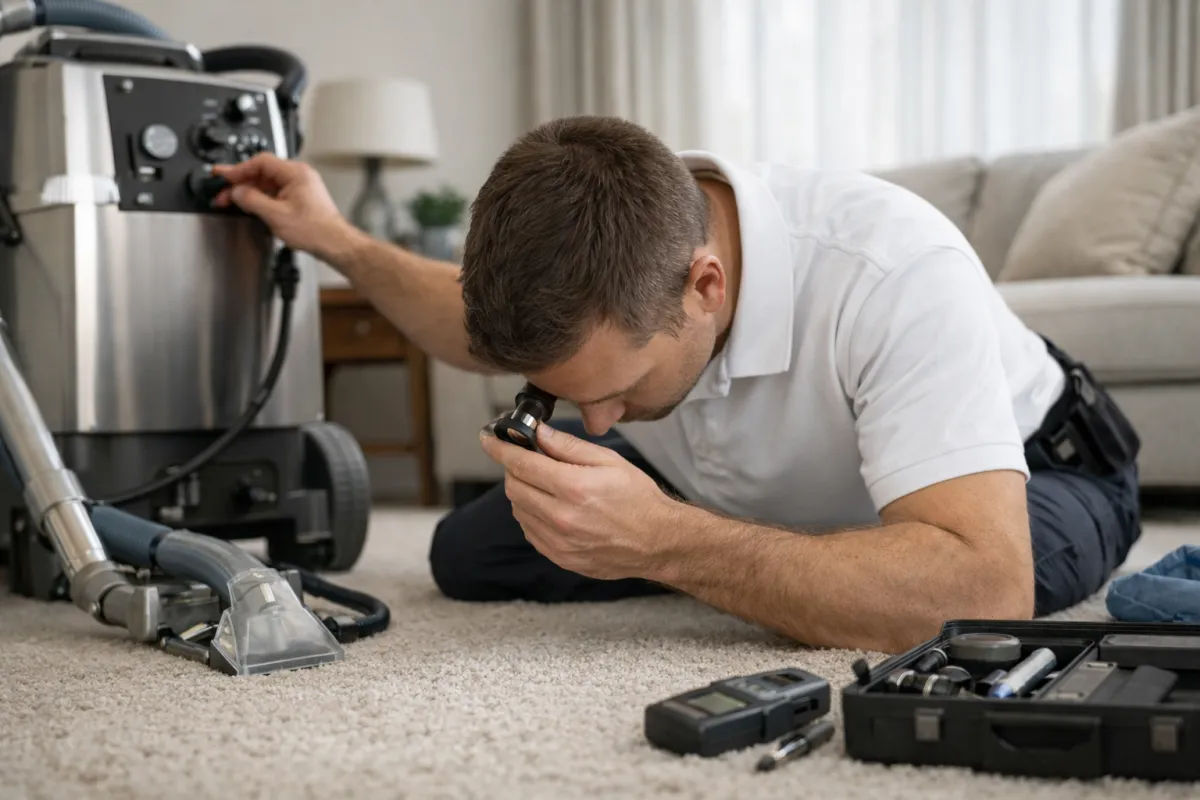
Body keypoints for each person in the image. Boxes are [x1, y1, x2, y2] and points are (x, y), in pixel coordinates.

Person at [212, 115, 1142, 653]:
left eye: (619, 391)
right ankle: (800, 564)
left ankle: (802, 563)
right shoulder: (609, 249)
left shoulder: (893, 268)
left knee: (962, 601)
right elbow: (459, 313)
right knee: (472, 554)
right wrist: (333, 238)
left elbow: (985, 583)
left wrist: (667, 546)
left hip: (1038, 468)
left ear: (708, 286)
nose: (595, 421)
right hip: (750, 485)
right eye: (569, 393)